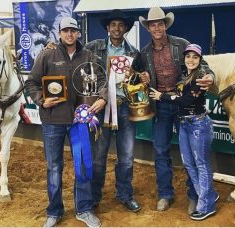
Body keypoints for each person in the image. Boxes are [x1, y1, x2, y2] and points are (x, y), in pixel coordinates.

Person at [24, 17, 107, 227]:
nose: (69, 34)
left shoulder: (89, 56)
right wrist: (42, 101)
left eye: (73, 30)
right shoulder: (47, 54)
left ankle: (85, 209)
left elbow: (103, 80)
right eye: (65, 31)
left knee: (83, 165)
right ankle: (54, 211)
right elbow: (31, 82)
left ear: (78, 32)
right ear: (59, 33)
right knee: (54, 166)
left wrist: (102, 98)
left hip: (81, 120)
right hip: (53, 120)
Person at [132, 7, 215, 213]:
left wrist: (210, 77)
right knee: (161, 150)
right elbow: (133, 74)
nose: (157, 27)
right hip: (160, 104)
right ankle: (165, 194)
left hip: (184, 104)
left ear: (165, 25)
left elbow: (203, 66)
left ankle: (194, 195)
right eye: (153, 25)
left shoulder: (181, 44)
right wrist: (141, 76)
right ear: (148, 28)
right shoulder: (144, 52)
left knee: (193, 155)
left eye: (160, 23)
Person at [149, 44, 219, 220]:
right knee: (189, 164)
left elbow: (185, 100)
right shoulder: (184, 74)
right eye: (188, 56)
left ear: (200, 59)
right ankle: (207, 195)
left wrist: (162, 96)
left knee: (201, 164)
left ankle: (206, 206)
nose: (191, 60)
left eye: (195, 57)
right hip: (185, 123)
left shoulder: (201, 76)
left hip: (198, 124)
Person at [85, 9, 141, 212]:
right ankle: (94, 196)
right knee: (99, 157)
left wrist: (141, 77)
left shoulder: (134, 52)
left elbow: (137, 80)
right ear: (107, 28)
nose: (117, 28)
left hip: (125, 107)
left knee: (126, 156)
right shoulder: (93, 48)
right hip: (101, 108)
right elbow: (74, 59)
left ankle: (125, 194)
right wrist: (54, 48)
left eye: (121, 25)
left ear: (125, 28)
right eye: (113, 25)